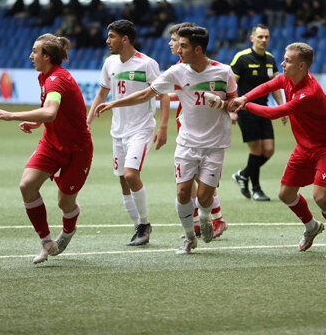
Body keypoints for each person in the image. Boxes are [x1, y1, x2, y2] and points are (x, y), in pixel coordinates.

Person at [94, 26, 237, 254]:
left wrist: (225, 106)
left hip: (215, 144)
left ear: (198, 49)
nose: (178, 50)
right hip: (187, 142)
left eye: (183, 46)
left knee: (204, 196)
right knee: (182, 192)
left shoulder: (224, 72)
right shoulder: (176, 72)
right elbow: (146, 93)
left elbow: (233, 101)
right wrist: (113, 103)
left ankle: (207, 217)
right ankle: (190, 237)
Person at [229, 42, 326, 258]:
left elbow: (277, 112)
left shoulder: (309, 92)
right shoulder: (288, 77)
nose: (282, 63)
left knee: (321, 197)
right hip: (305, 146)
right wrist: (245, 97)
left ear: (302, 66)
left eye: (288, 61)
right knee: (286, 194)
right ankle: (311, 226)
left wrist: (244, 105)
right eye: (284, 58)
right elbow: (268, 86)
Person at [0, 34, 93, 264]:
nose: (30, 55)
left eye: (35, 51)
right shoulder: (45, 76)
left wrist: (11, 115)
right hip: (51, 142)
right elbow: (50, 110)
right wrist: (38, 122)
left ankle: (67, 231)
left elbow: (50, 112)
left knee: (65, 203)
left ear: (47, 56)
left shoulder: (56, 80)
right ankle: (46, 241)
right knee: (27, 185)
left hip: (78, 149)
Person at [86, 19, 169, 246]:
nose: (107, 40)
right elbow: (102, 94)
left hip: (140, 129)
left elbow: (162, 95)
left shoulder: (147, 64)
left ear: (125, 39)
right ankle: (138, 227)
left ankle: (144, 224)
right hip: (118, 131)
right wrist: (88, 120)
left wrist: (163, 126)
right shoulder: (110, 63)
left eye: (111, 36)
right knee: (123, 180)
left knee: (131, 174)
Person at [167, 22, 227, 239]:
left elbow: (228, 95)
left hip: (205, 129)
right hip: (186, 124)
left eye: (175, 40)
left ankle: (215, 219)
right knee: (188, 181)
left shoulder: (198, 65)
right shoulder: (180, 66)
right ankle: (198, 223)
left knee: (203, 183)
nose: (172, 44)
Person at [230, 24, 286, 201]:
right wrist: (231, 109)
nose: (264, 40)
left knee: (268, 150)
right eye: (260, 37)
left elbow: (275, 85)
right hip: (245, 110)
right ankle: (256, 189)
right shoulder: (241, 58)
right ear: (252, 38)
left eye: (266, 37)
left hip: (264, 110)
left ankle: (243, 174)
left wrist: (282, 107)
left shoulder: (270, 59)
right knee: (256, 150)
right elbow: (231, 85)